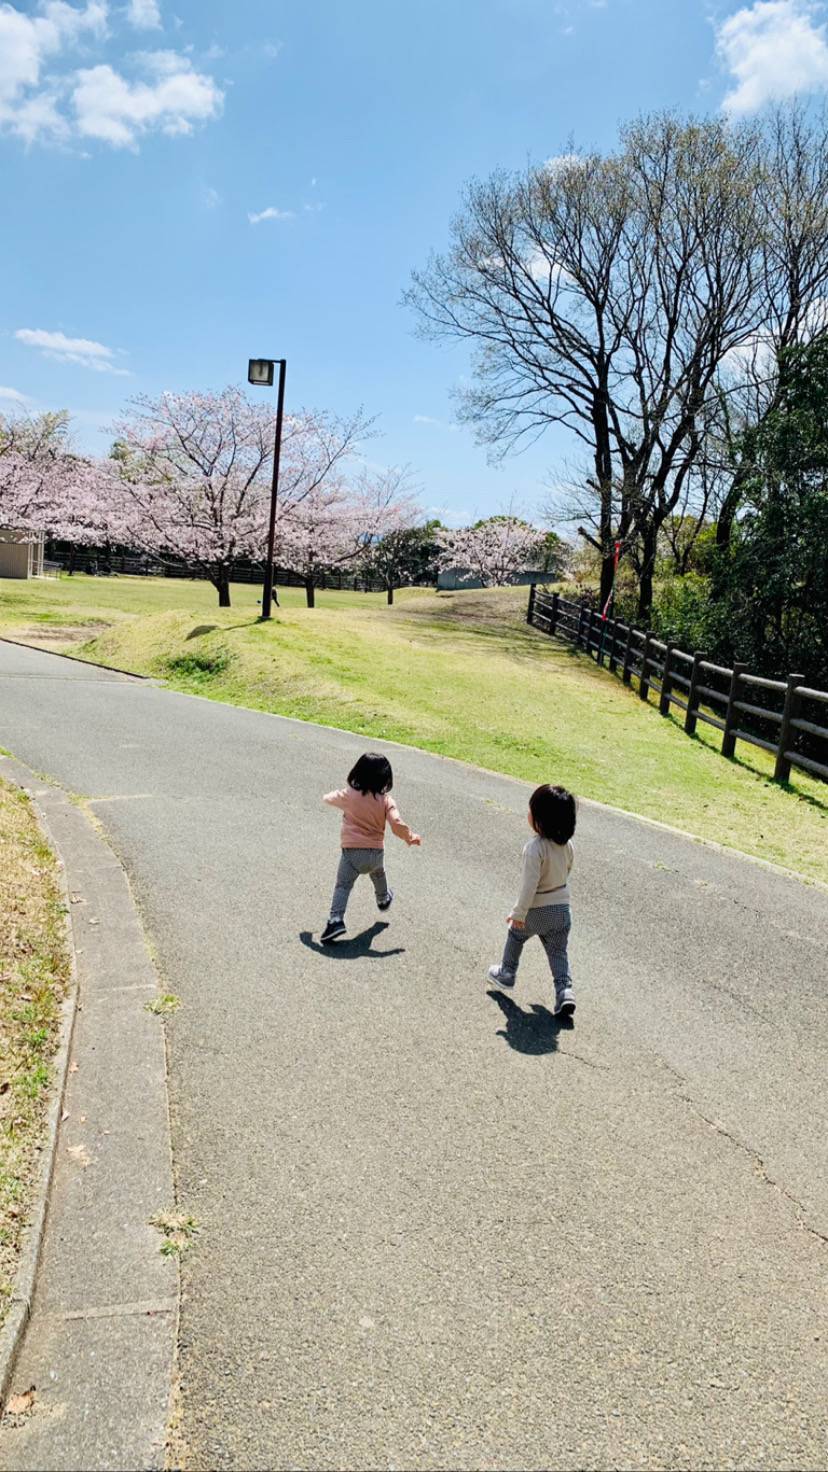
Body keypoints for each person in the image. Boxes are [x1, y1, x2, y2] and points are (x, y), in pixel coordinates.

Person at [488, 784, 577, 1015]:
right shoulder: (567, 847)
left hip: (537, 910)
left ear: (540, 820)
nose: (527, 813)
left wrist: (518, 914)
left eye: (531, 810)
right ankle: (564, 991)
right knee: (558, 952)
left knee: (516, 935)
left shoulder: (534, 848)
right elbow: (566, 872)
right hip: (562, 911)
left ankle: (507, 972)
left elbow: (529, 887)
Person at [321, 752, 421, 943]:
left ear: (357, 772)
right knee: (378, 873)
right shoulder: (386, 801)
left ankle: (335, 920)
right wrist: (410, 837)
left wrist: (329, 797)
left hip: (351, 854)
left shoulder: (349, 795)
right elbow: (397, 823)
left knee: (343, 886)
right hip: (375, 853)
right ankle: (383, 899)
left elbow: (328, 798)